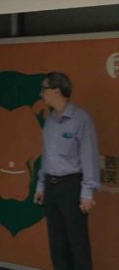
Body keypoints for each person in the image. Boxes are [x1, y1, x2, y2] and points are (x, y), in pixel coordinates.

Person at [34, 72, 99, 270]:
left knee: (77, 244)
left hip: (72, 187)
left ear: (56, 91)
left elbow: (89, 156)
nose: (40, 94)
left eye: (43, 89)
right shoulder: (50, 120)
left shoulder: (81, 119)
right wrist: (41, 185)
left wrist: (87, 193)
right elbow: (46, 156)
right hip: (52, 187)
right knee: (57, 244)